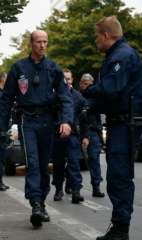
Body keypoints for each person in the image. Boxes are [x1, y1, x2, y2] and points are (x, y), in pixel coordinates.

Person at [0, 30, 73, 228]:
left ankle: (41, 201)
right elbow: (6, 99)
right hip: (27, 121)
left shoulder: (53, 68)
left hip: (48, 121)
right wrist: (2, 127)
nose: (42, 45)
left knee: (42, 165)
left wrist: (66, 121)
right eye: (39, 42)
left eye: (45, 42)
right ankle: (35, 205)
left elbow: (65, 97)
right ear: (31, 43)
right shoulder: (18, 68)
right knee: (31, 162)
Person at [81, 16, 142, 240]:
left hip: (125, 123)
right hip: (121, 121)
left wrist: (88, 92)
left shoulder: (121, 56)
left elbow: (110, 90)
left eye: (97, 36)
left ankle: (120, 230)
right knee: (118, 174)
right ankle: (119, 228)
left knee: (119, 176)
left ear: (106, 36)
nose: (96, 40)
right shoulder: (117, 55)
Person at [52, 69, 86, 203]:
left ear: (72, 80)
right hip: (57, 135)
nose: (66, 81)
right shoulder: (54, 96)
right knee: (58, 164)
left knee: (74, 163)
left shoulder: (78, 97)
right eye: (64, 79)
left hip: (72, 135)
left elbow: (85, 117)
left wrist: (85, 135)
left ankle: (76, 191)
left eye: (69, 78)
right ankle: (58, 189)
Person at [79, 73, 105, 198]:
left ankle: (96, 186)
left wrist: (100, 132)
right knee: (74, 159)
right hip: (78, 131)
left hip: (93, 131)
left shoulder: (96, 98)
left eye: (90, 85)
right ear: (81, 84)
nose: (88, 87)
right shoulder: (76, 96)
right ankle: (71, 184)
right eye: (85, 84)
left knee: (94, 159)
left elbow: (98, 117)